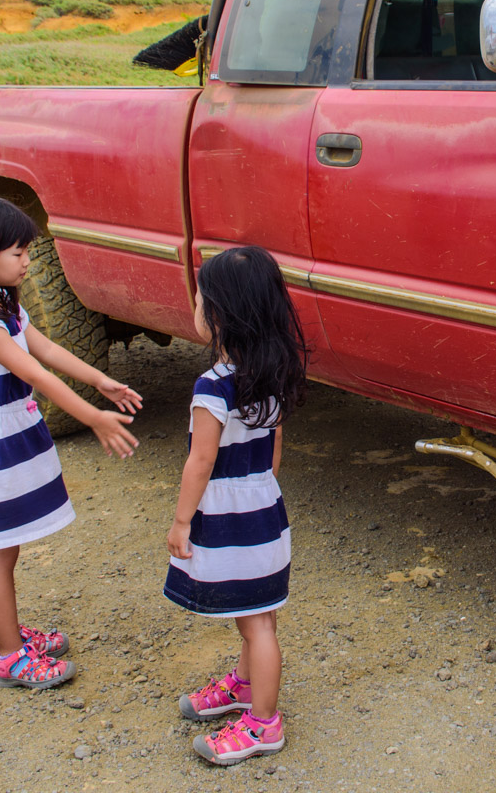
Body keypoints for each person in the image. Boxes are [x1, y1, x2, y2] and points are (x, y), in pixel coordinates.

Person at [0, 196, 142, 690]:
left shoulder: (2, 303)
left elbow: (45, 347)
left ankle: (8, 635)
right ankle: (9, 655)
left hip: (12, 434)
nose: (28, 261)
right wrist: (93, 417)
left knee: (7, 547)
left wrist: (101, 380)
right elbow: (35, 372)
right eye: (18, 253)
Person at [166, 246, 307, 764]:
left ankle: (264, 724)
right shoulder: (273, 371)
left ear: (220, 315)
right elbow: (273, 447)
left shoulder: (214, 387)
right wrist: (258, 488)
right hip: (265, 509)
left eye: (200, 299)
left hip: (231, 516)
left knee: (257, 624)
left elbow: (199, 462)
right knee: (258, 612)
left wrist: (183, 521)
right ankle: (245, 687)